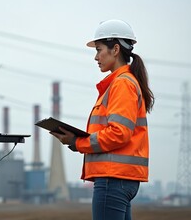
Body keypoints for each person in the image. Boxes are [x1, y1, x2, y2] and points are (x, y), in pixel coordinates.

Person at [50, 19, 154, 220]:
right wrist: (75, 142)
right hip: (119, 178)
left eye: (99, 50)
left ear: (115, 49)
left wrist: (76, 141)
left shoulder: (122, 84)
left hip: (112, 179)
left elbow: (118, 133)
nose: (96, 57)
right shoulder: (123, 83)